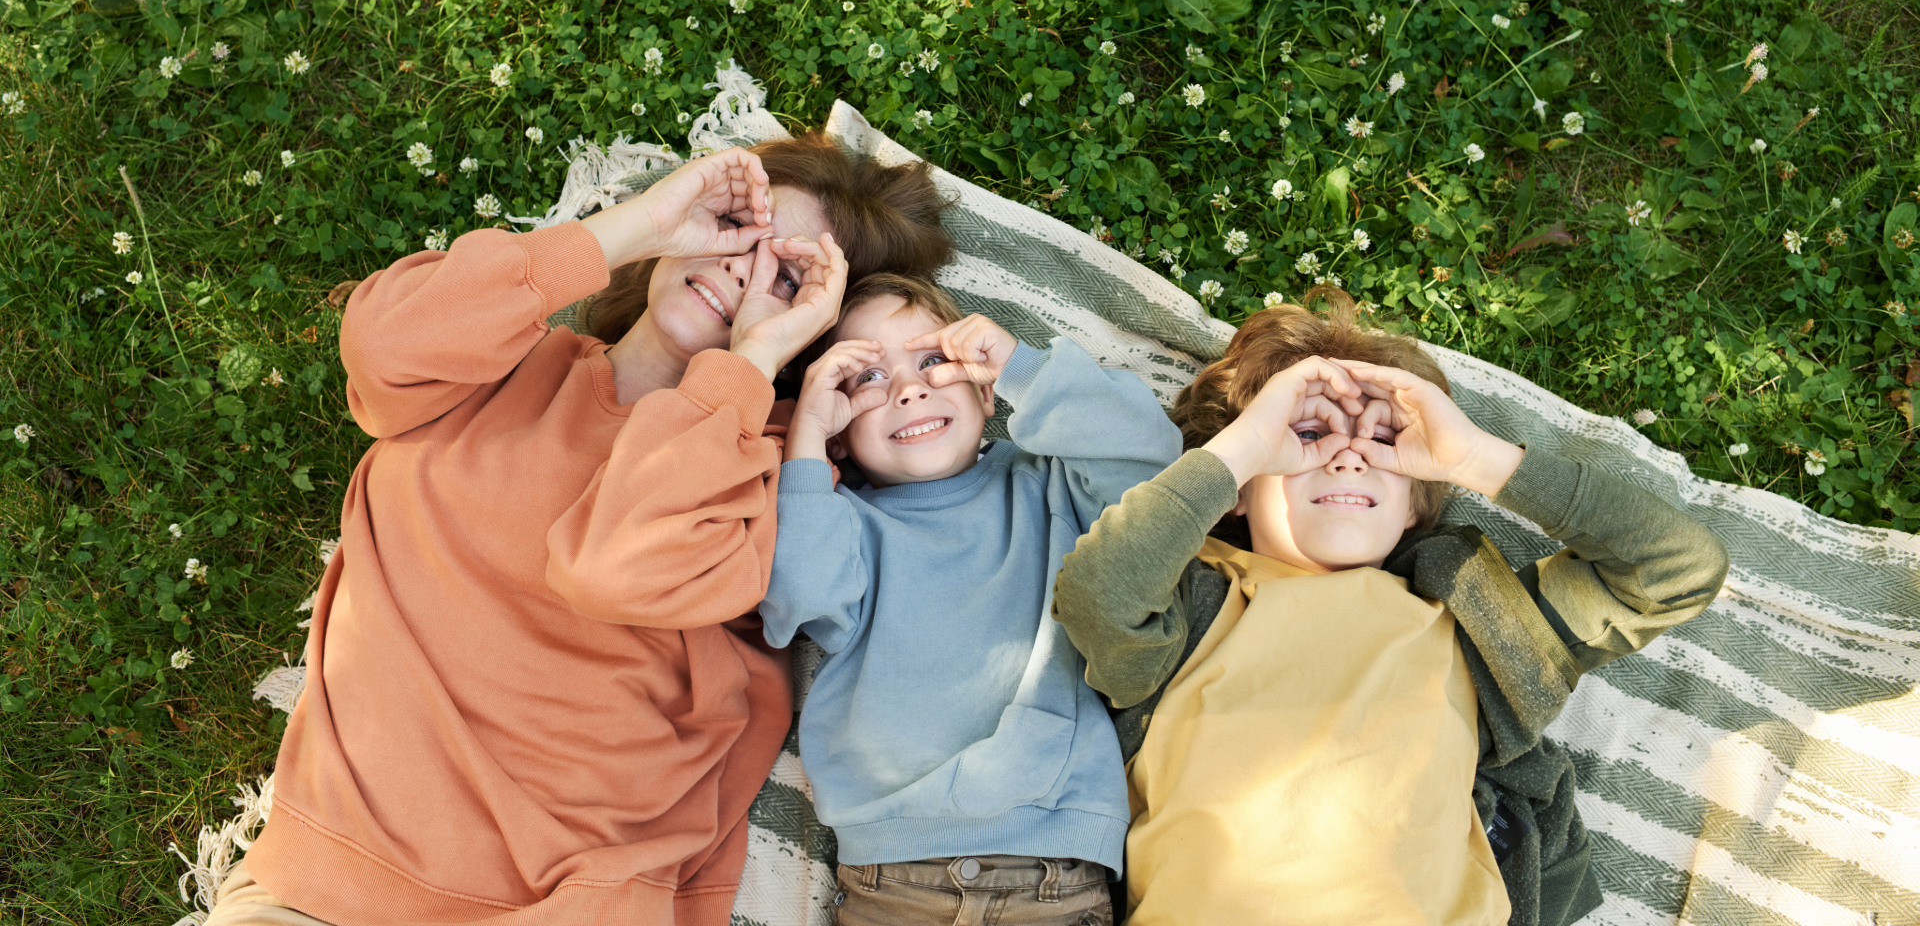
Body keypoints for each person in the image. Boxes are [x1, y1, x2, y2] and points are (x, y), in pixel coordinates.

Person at [210, 135, 953, 926]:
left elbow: (616, 567)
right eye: (740, 225)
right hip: (329, 884)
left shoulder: (771, 472)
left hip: (571, 899)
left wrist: (754, 359)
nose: (743, 266)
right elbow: (380, 343)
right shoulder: (500, 356)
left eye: (787, 272)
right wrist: (642, 223)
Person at [1052, 288, 1730, 926]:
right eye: (1308, 434)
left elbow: (1679, 569)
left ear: (1415, 503)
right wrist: (1244, 445)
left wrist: (1475, 458)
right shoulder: (1193, 605)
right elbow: (1096, 594)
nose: (1347, 457)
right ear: (1234, 489)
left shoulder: (1473, 626)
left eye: (1382, 446)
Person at [760, 274, 1184, 926]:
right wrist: (807, 438)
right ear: (842, 430)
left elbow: (1151, 457)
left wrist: (1023, 365)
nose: (909, 388)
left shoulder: (1051, 484)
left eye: (932, 360)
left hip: (1052, 866)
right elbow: (795, 594)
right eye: (868, 378)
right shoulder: (845, 523)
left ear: (986, 394)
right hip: (891, 876)